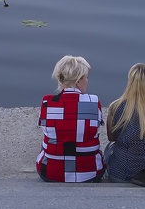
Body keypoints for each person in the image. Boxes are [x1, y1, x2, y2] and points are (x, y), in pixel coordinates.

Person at [36, 55, 105, 183]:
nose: (87, 81)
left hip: (50, 173)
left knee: (49, 140)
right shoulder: (94, 101)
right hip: (90, 173)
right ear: (79, 80)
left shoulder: (47, 102)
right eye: (86, 77)